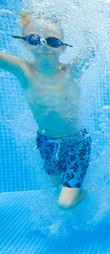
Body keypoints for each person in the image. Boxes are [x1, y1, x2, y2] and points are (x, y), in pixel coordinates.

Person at [0, 11, 96, 208]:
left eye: (52, 41)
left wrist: (84, 10)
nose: (43, 45)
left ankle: (76, 194)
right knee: (56, 191)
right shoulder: (24, 70)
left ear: (62, 48)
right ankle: (76, 193)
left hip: (76, 143)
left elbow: (92, 47)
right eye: (34, 39)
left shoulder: (72, 71)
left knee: (64, 203)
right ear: (24, 43)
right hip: (46, 144)